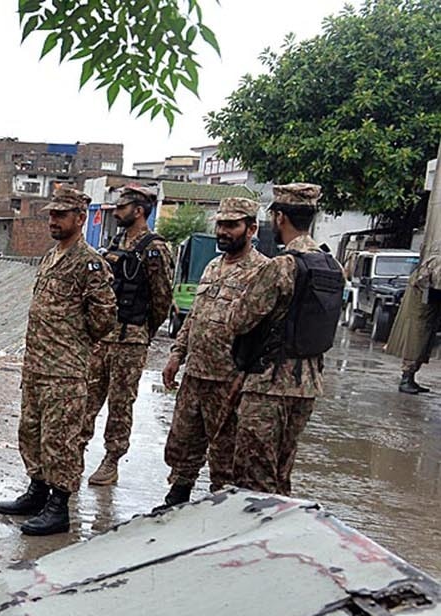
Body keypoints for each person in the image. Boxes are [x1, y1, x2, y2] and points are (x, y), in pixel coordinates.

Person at [0, 185, 116, 535]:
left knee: (61, 440)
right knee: (31, 432)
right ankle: (37, 490)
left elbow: (104, 318)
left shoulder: (89, 262)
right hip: (36, 366)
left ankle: (59, 504)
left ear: (80, 218)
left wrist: (73, 343)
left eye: (60, 215)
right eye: (50, 214)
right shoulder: (52, 256)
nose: (52, 220)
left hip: (64, 370)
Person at [225, 183, 342, 495]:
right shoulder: (332, 266)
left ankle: (253, 538)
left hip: (269, 384)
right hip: (307, 386)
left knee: (253, 475)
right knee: (281, 471)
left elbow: (239, 320)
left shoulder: (283, 265)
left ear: (279, 218)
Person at [160, 197, 266, 506]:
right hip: (195, 375)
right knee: (183, 443)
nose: (223, 231)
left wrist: (247, 376)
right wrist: (177, 355)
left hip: (229, 380)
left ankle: (222, 509)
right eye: (220, 224)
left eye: (232, 225)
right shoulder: (212, 266)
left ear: (251, 229)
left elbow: (265, 332)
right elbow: (195, 316)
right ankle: (177, 495)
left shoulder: (262, 271)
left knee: (225, 454)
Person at [81, 183, 173, 485]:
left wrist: (142, 332)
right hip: (103, 339)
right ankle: (75, 450)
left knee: (120, 404)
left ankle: (112, 459)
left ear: (139, 211)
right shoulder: (116, 242)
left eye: (122, 207)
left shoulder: (154, 248)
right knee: (87, 399)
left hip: (130, 339)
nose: (117, 212)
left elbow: (162, 300)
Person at [386, 253, 441, 394]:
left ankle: (410, 378)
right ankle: (406, 379)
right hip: (420, 310)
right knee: (415, 343)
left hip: (426, 308)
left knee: (421, 343)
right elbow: (432, 283)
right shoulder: (437, 261)